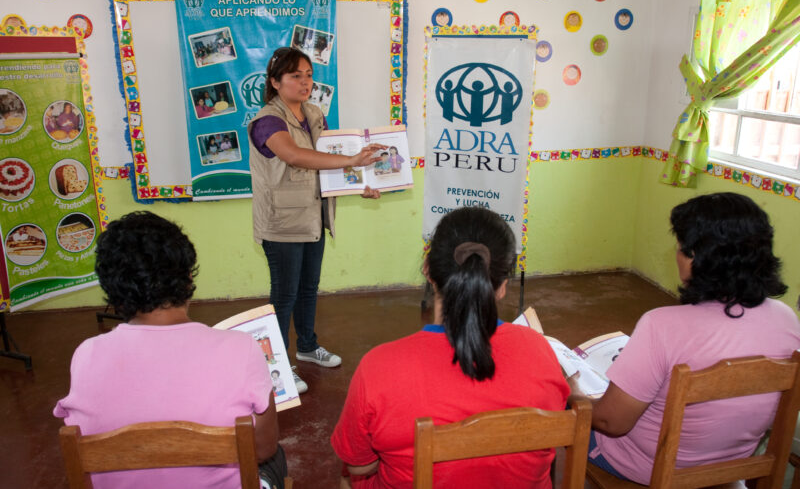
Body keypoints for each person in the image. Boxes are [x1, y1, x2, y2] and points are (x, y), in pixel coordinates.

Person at [569, 192, 800, 484]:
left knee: (561, 420)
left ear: (698, 259)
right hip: (734, 465)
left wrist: (572, 394)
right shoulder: (786, 319)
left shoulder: (661, 325)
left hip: (647, 467)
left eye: (680, 247)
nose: (676, 254)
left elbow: (610, 422)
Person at [331, 207, 570, 488]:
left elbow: (362, 465)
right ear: (503, 285)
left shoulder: (379, 368)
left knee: (347, 478)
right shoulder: (539, 350)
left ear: (428, 271)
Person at [53, 212, 285, 489]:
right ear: (188, 278)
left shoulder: (86, 355)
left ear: (112, 288)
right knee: (276, 459)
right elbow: (263, 448)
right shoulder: (241, 347)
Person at [247, 46, 385, 394]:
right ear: (275, 82)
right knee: (284, 294)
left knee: (308, 289)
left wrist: (363, 183)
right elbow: (294, 156)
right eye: (296, 76)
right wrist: (351, 161)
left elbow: (329, 162)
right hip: (282, 223)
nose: (305, 82)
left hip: (314, 217)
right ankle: (275, 364)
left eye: (308, 75)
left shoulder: (313, 113)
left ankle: (307, 346)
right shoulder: (267, 120)